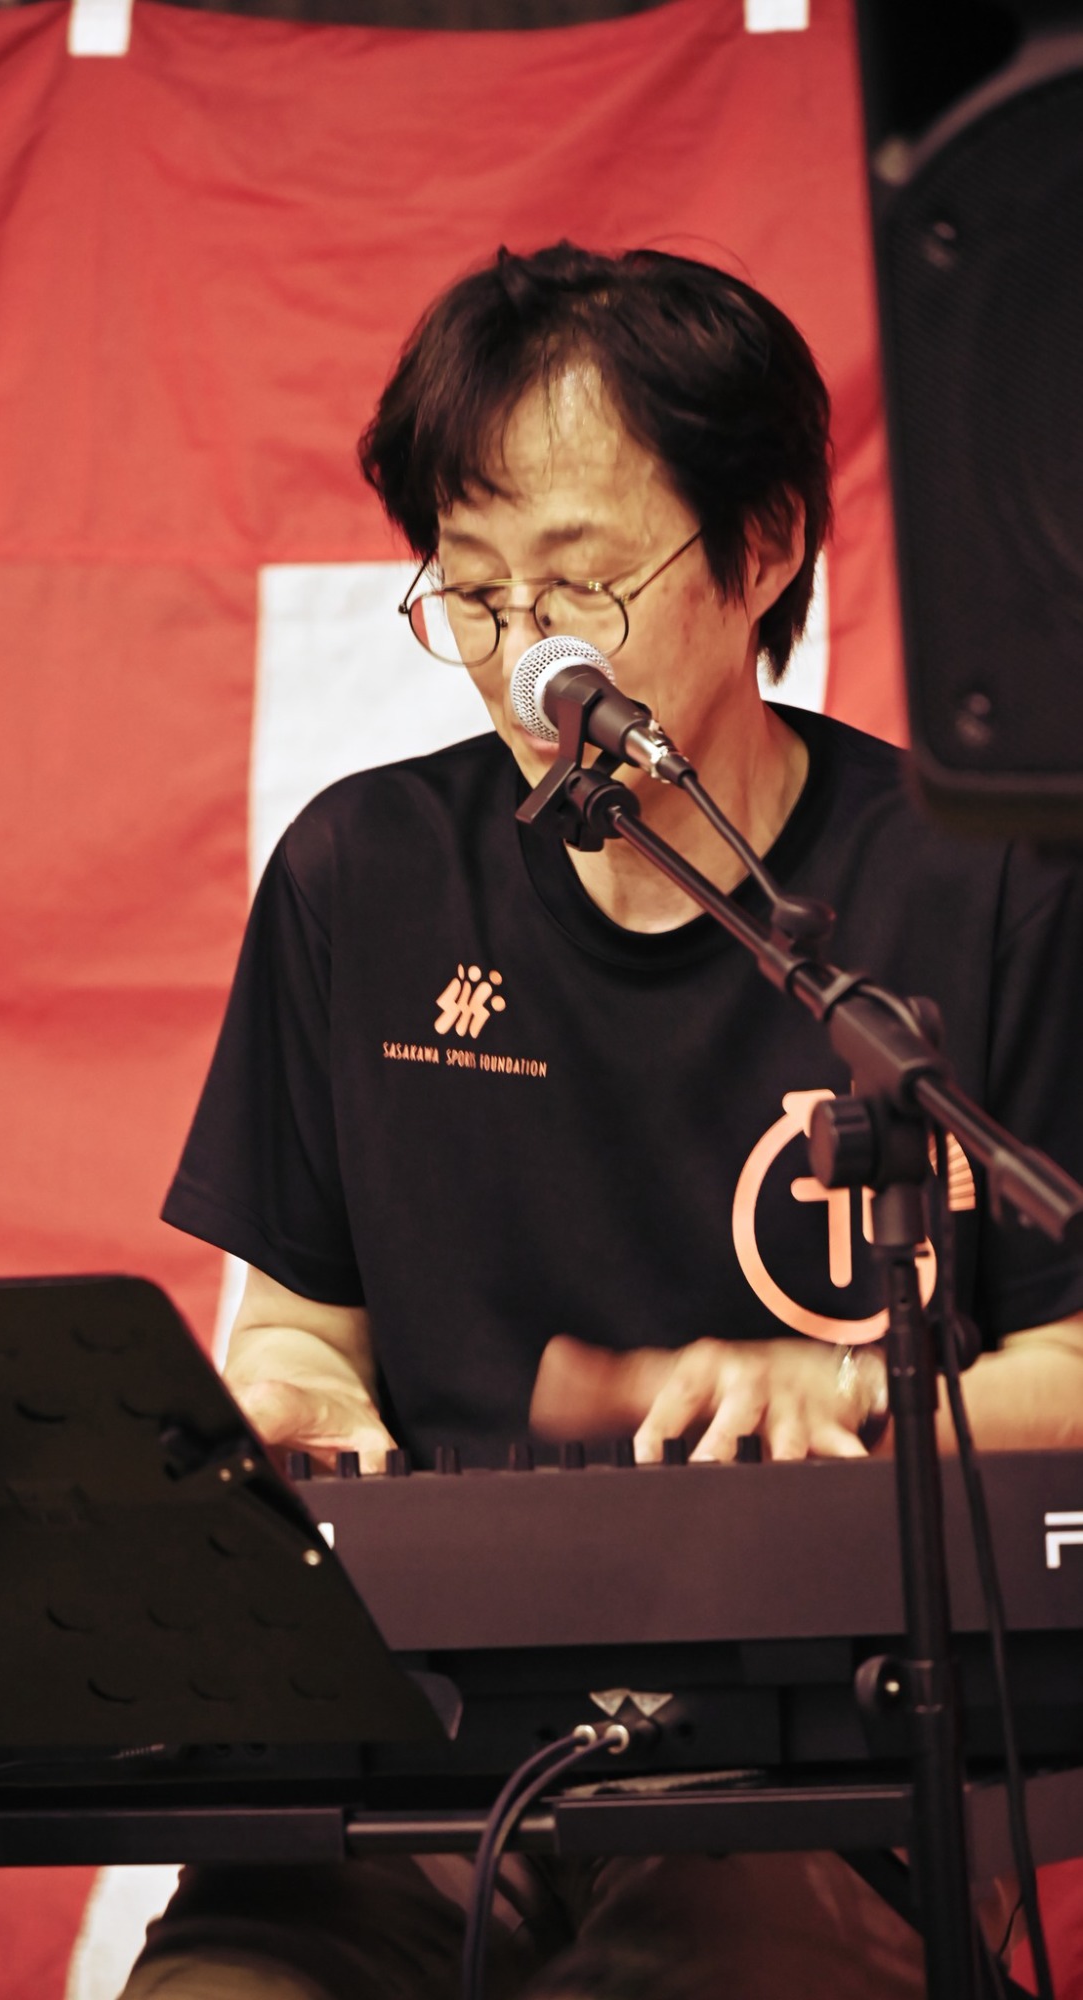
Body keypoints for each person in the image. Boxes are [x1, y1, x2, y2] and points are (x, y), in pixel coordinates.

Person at [122, 244, 1083, 1999]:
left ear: (761, 547)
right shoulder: (363, 872)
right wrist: (291, 1403)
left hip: (812, 1758)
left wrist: (852, 1395)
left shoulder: (983, 884)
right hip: (422, 1737)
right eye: (474, 592)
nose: (519, 661)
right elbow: (302, 1331)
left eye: (576, 587)